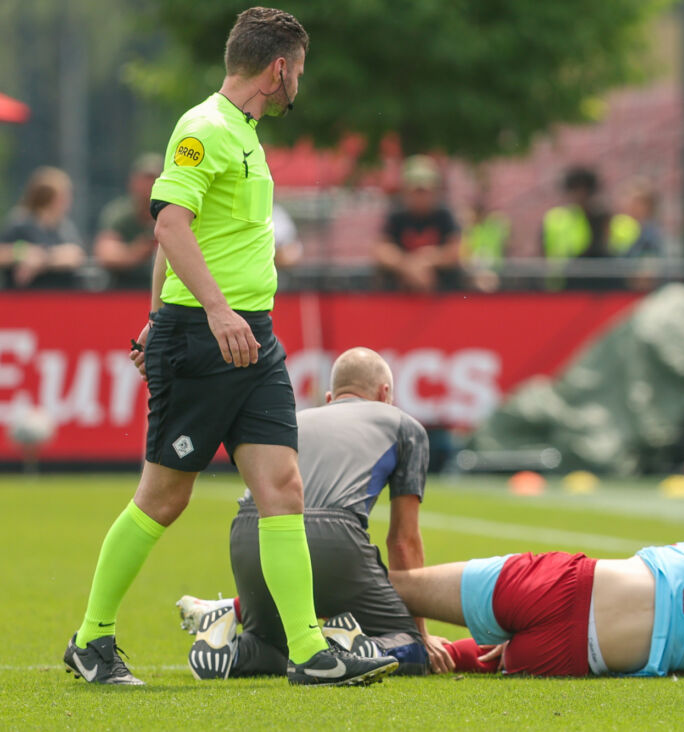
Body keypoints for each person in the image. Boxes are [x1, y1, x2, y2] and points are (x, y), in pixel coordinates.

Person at [62, 7, 396, 688]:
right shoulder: (203, 127)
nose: (299, 82)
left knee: (283, 488)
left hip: (254, 337)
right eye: (298, 70)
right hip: (209, 337)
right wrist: (195, 315)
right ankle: (91, 640)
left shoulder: (243, 134)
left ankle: (308, 651)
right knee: (163, 497)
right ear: (279, 68)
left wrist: (160, 314)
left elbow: (188, 231)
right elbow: (170, 224)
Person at [176, 348, 451, 678]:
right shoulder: (405, 426)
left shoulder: (294, 419)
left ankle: (227, 643)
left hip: (250, 533)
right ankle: (348, 645)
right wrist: (420, 632)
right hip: (330, 538)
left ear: (330, 397)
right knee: (412, 649)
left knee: (275, 648)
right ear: (385, 394)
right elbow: (403, 540)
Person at [388, 538, 684, 678]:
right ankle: (390, 653)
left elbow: (664, 555)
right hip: (580, 652)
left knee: (400, 586)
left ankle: (324, 627)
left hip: (567, 581)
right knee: (467, 660)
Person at [374, 155, 463, 292]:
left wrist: (428, 260)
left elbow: (456, 250)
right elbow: (381, 249)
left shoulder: (444, 215)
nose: (420, 197)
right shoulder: (397, 215)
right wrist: (408, 266)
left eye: (425, 191)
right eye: (416, 191)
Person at [0, 166, 86, 289]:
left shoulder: (64, 228)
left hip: (60, 296)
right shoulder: (21, 224)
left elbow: (75, 255)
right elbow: (4, 251)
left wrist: (43, 259)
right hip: (24, 299)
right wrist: (22, 252)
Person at [93, 154, 161, 289]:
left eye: (153, 179)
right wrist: (138, 251)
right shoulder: (119, 213)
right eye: (144, 180)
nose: (149, 186)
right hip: (126, 288)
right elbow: (105, 253)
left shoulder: (171, 213)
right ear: (133, 182)